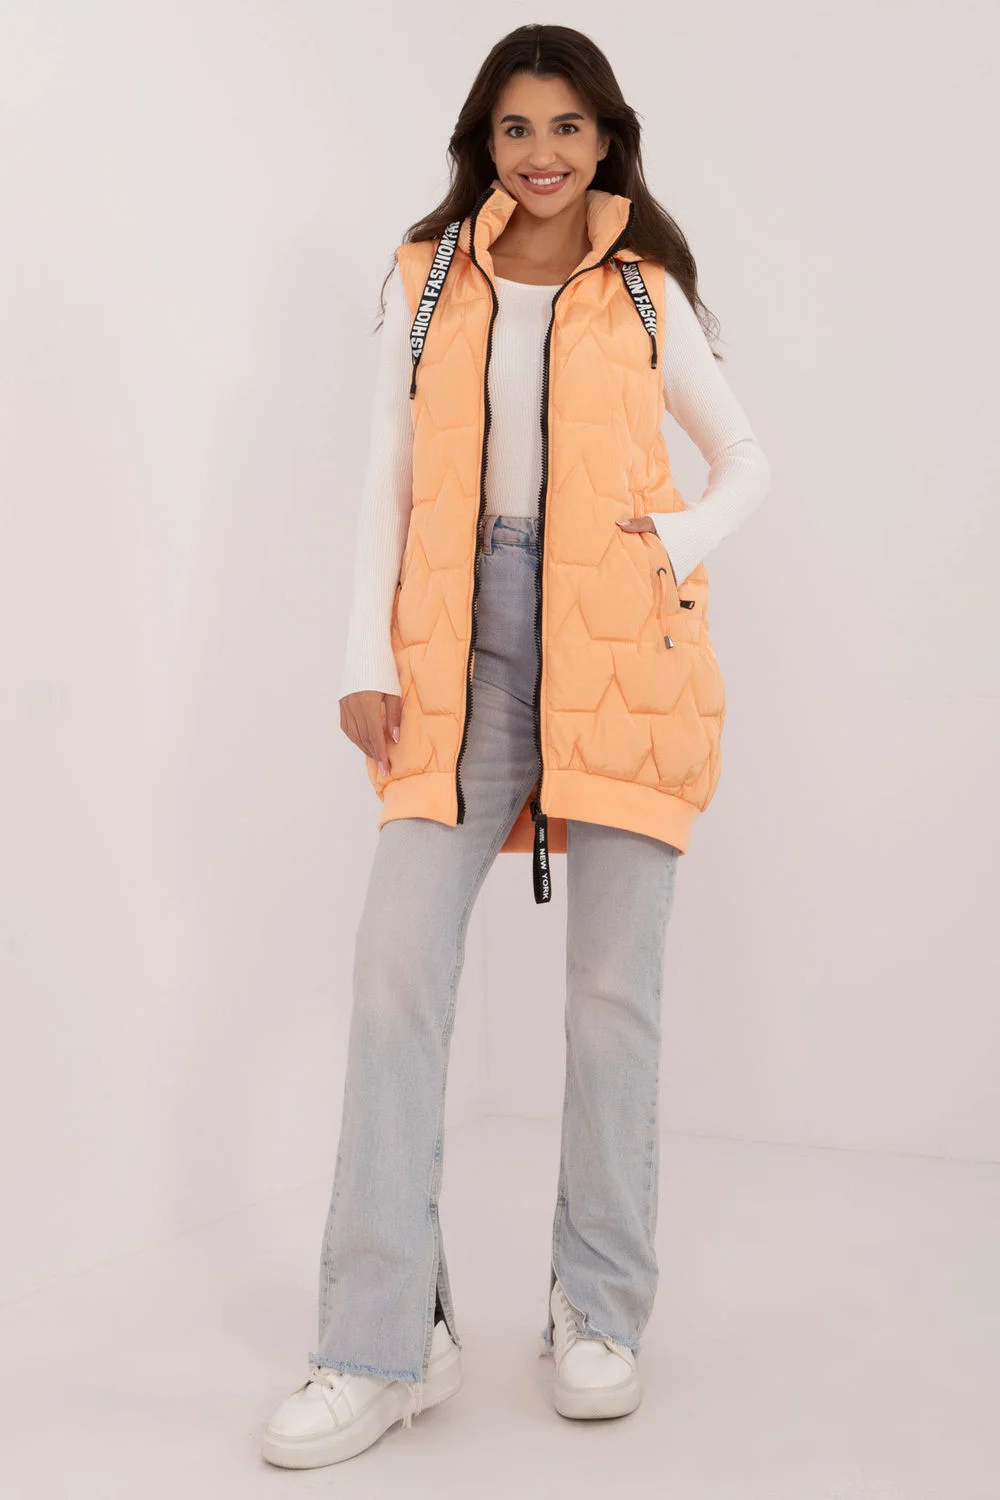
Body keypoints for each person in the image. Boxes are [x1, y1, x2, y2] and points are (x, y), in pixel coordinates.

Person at [261, 22, 771, 1470]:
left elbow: (748, 462)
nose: (540, 153)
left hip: (626, 655)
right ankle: (383, 1341)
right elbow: (385, 473)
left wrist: (669, 543)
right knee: (394, 977)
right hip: (458, 651)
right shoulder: (427, 279)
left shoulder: (647, 292)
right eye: (514, 128)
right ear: (482, 143)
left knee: (614, 998)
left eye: (565, 127)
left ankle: (596, 1310)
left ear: (607, 139)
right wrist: (363, 661)